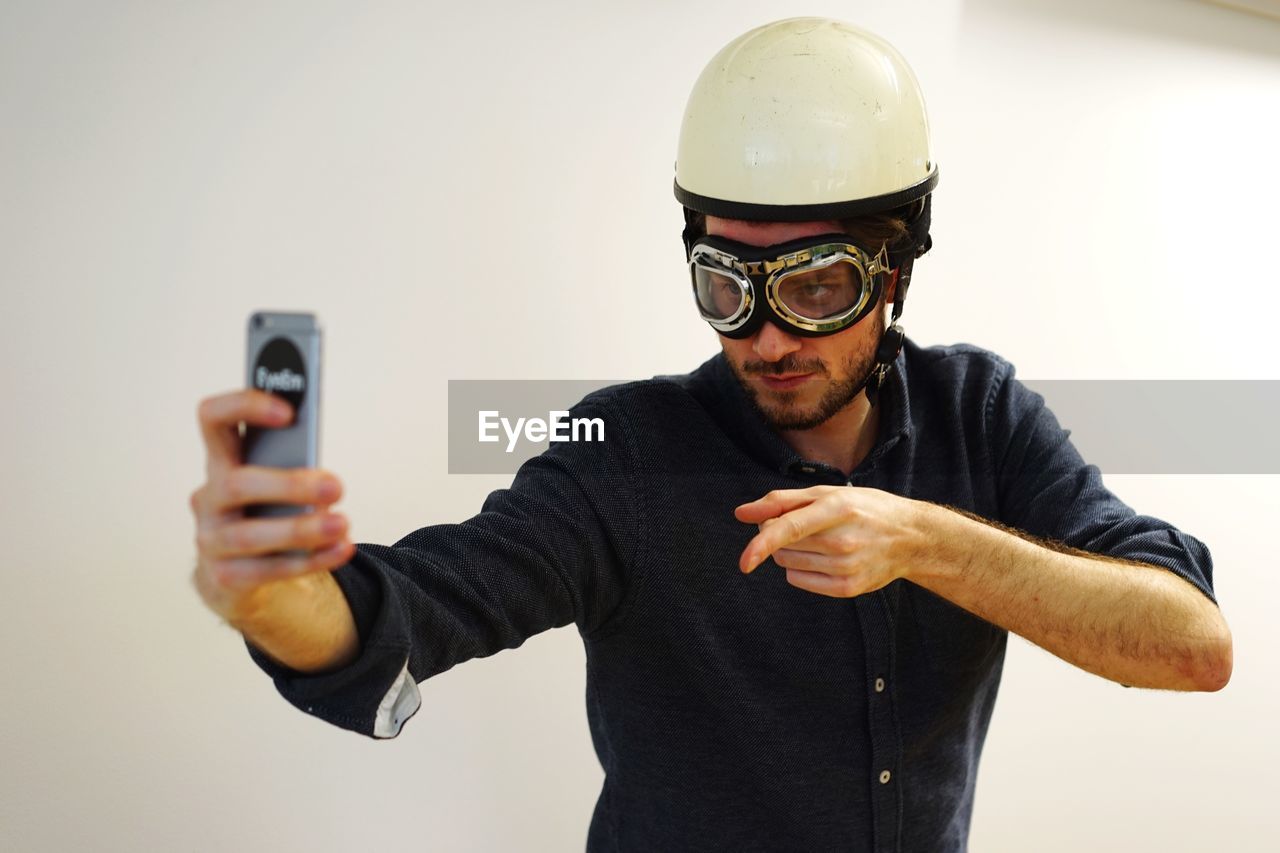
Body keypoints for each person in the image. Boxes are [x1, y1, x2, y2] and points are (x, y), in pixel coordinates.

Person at [189, 17, 1232, 852]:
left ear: (894, 271)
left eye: (816, 285)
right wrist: (278, 595)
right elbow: (415, 608)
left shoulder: (981, 414)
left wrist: (924, 541)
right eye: (724, 284)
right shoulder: (629, 451)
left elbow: (1189, 644)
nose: (766, 335)